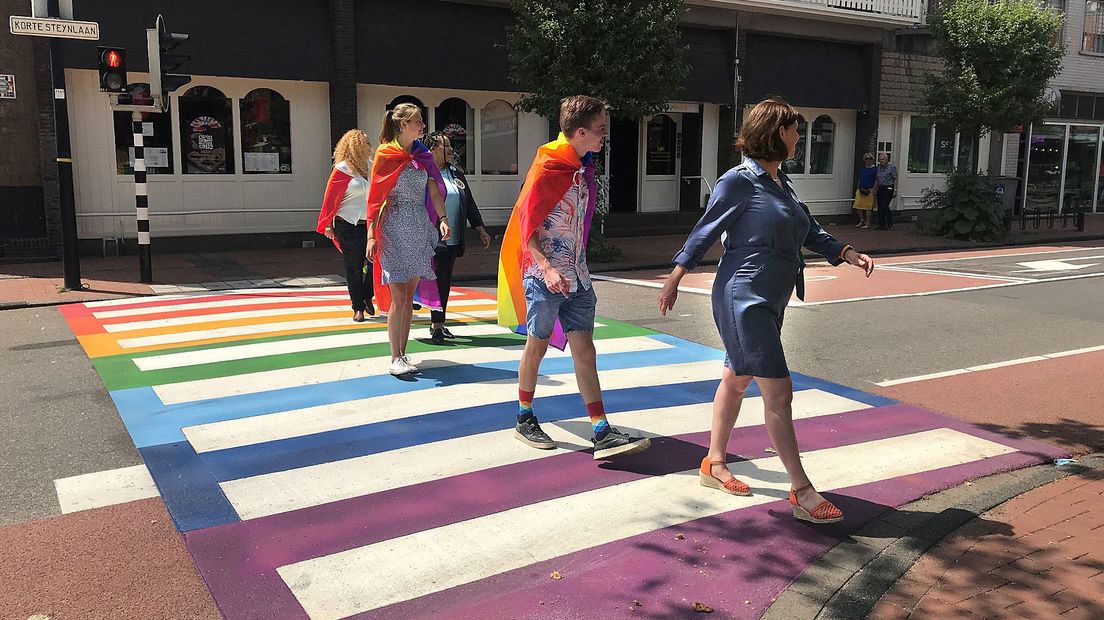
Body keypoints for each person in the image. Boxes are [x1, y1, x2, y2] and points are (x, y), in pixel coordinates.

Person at [658, 97, 875, 524]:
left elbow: (808, 229)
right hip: (744, 297)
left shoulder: (781, 182)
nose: (799, 136)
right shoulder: (738, 181)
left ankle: (713, 464)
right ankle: (802, 490)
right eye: (794, 129)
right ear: (775, 132)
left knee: (737, 379)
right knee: (779, 391)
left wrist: (847, 251)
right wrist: (675, 275)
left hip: (771, 297)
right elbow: (706, 230)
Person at [497, 95, 651, 460]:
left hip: (578, 278)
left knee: (586, 350)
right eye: (600, 130)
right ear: (580, 131)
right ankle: (524, 417)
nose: (604, 136)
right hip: (544, 277)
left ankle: (600, 429)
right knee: (536, 345)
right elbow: (525, 228)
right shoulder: (548, 167)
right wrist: (547, 269)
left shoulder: (581, 166)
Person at [365, 103, 451, 376]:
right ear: (403, 125)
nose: (422, 126)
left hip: (418, 225)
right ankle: (395, 357)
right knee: (398, 297)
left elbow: (435, 190)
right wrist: (370, 234)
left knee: (408, 297)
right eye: (418, 122)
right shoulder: (385, 154)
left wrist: (444, 219)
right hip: (393, 225)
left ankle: (402, 353)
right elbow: (375, 198)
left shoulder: (422, 155)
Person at [423, 131, 492, 345]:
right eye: (445, 146)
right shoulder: (423, 172)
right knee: (435, 280)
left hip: (451, 239)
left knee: (442, 281)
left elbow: (469, 203)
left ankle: (438, 324)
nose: (451, 150)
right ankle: (436, 324)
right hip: (429, 237)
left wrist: (480, 229)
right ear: (432, 150)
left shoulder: (456, 173)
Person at [316, 129, 375, 322]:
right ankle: (357, 307)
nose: (370, 147)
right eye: (366, 143)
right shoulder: (343, 169)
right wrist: (327, 225)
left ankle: (367, 295)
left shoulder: (371, 166)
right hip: (347, 225)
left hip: (370, 225)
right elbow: (330, 198)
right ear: (356, 146)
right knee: (354, 266)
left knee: (375, 263)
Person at [853, 152, 877, 229]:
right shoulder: (863, 169)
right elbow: (860, 178)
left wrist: (874, 188)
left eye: (870, 158)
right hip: (861, 189)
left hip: (869, 190)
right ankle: (862, 220)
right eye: (867, 159)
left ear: (872, 159)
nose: (868, 160)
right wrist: (857, 188)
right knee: (857, 205)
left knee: (868, 207)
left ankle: (868, 223)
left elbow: (877, 179)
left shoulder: (875, 169)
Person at [876, 152, 898, 230]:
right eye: (880, 159)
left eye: (883, 159)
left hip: (888, 188)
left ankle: (890, 223)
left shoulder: (892, 168)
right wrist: (875, 188)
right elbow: (877, 179)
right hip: (881, 188)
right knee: (879, 206)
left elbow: (895, 179)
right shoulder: (878, 168)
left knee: (885, 205)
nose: (881, 161)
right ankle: (881, 225)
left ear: (886, 160)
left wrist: (895, 190)